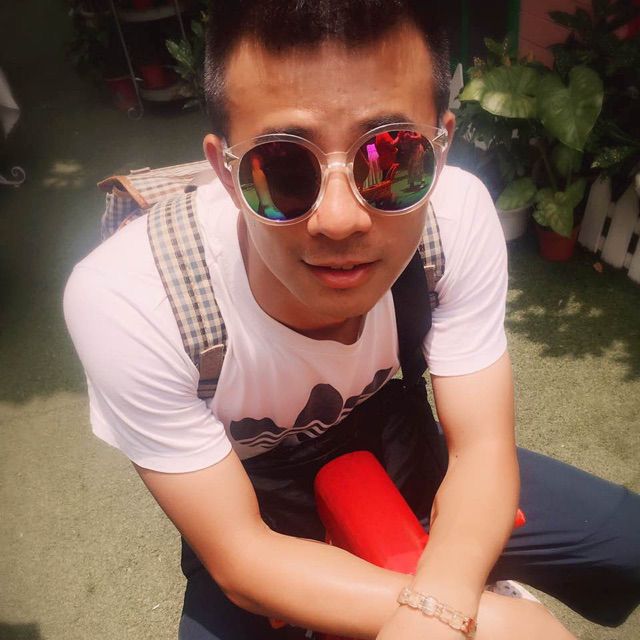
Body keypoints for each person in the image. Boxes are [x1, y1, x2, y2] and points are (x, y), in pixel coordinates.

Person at [63, 1, 640, 639]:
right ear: (225, 171)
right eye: (283, 169)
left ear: (442, 149)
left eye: (392, 160)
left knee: (626, 538)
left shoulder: (454, 217)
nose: (340, 220)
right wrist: (490, 622)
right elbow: (242, 556)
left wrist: (445, 603)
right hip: (253, 506)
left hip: (406, 449)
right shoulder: (132, 298)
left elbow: (480, 448)